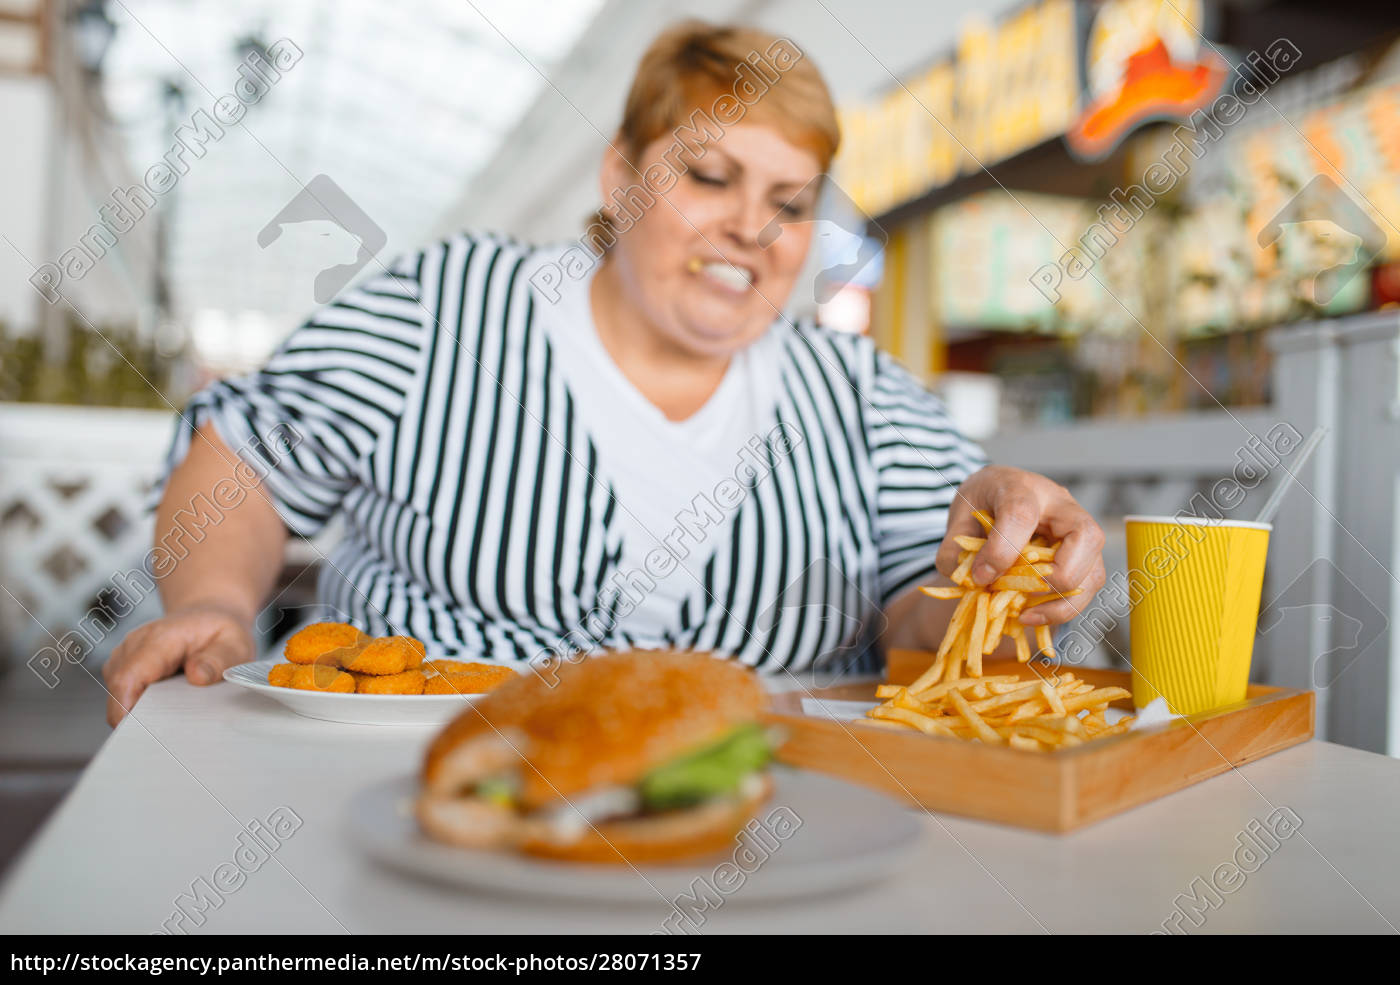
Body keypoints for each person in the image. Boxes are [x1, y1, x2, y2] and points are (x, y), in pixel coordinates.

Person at [104, 21, 1105, 725]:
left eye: (789, 202)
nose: (751, 227)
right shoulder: (447, 307)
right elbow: (244, 451)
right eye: (708, 177)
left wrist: (993, 580)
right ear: (620, 177)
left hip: (759, 819)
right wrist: (215, 606)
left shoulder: (857, 393)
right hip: (416, 792)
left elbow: (919, 624)